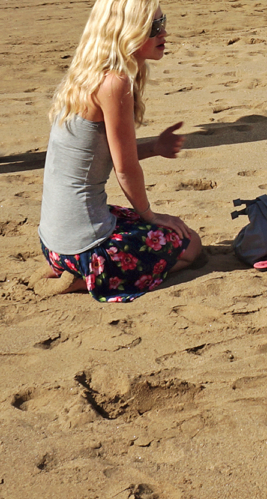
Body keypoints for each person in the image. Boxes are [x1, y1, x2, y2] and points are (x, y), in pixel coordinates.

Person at [37, 0, 202, 302]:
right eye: (154, 27)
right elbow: (125, 169)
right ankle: (88, 280)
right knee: (190, 243)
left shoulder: (87, 73)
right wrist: (150, 215)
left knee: (157, 229)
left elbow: (105, 153)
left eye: (163, 22)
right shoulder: (115, 83)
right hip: (85, 247)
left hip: (53, 243)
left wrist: (155, 147)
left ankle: (65, 268)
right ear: (127, 32)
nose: (164, 33)